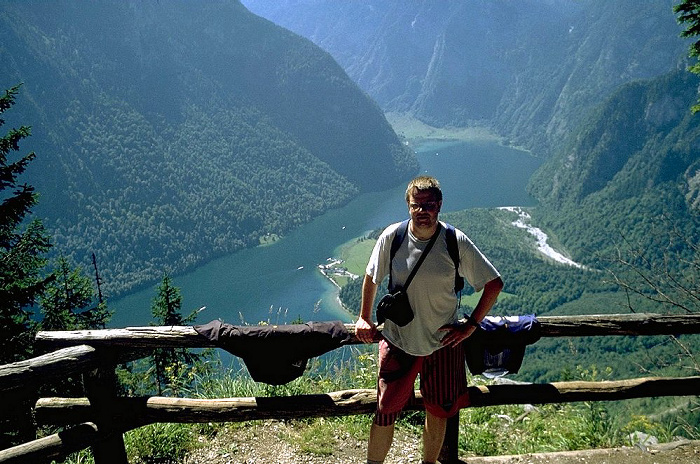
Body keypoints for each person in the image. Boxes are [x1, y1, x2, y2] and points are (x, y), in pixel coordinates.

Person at [355, 175, 503, 464]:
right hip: (399, 339)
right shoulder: (393, 237)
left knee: (439, 410)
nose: (423, 211)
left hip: (442, 343)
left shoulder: (453, 241)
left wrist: (471, 325)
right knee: (385, 411)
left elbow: (494, 283)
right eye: (416, 205)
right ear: (408, 206)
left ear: (440, 206)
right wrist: (363, 317)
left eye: (430, 205)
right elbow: (372, 276)